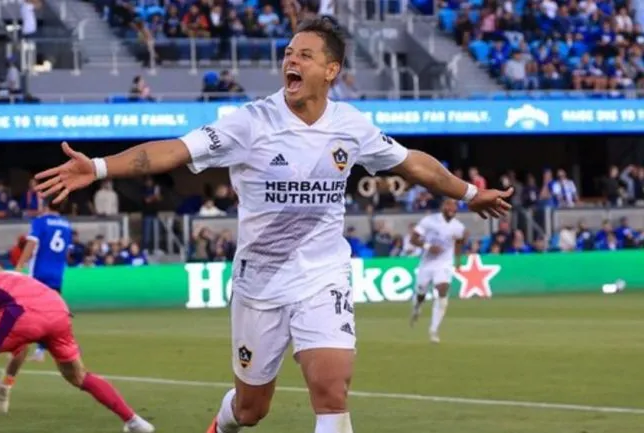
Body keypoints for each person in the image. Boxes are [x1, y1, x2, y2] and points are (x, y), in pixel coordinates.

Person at [31, 16, 512, 433]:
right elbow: (172, 151)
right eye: (287, 53)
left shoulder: (351, 126)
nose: (291, 62)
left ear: (331, 70)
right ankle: (222, 424)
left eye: (305, 55)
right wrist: (96, 168)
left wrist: (470, 194)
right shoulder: (251, 123)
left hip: (324, 277)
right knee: (250, 408)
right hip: (259, 285)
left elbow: (412, 164)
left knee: (332, 390)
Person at [0, 265, 155, 433]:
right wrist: (7, 382)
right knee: (79, 376)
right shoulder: (1, 285)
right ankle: (134, 421)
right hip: (59, 310)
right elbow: (21, 341)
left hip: (28, 312)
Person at [14, 198, 71, 362]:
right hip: (57, 274)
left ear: (45, 205)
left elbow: (31, 244)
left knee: (26, 310)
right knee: (50, 314)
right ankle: (42, 350)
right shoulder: (66, 225)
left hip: (39, 273)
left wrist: (19, 266)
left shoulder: (40, 222)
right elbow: (66, 253)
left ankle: (19, 348)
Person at [409, 198, 467, 343]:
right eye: (449, 204)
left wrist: (458, 260)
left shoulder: (458, 226)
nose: (452, 208)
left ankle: (434, 329)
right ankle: (417, 307)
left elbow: (460, 241)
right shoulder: (429, 221)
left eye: (454, 206)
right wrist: (428, 247)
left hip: (445, 263)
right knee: (421, 290)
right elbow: (413, 239)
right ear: (443, 206)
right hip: (427, 262)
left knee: (442, 290)